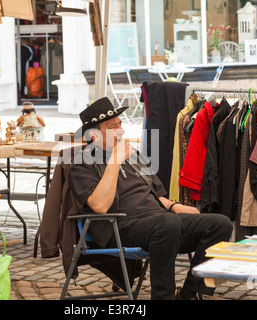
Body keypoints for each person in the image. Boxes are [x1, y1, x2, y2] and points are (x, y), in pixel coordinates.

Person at [68, 97, 233, 300]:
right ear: (94, 136)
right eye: (113, 127)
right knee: (167, 223)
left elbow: (157, 196)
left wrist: (174, 206)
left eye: (120, 124)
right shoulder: (82, 163)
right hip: (120, 227)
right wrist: (114, 162)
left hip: (161, 223)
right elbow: (100, 206)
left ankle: (188, 295)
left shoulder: (134, 157)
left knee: (220, 224)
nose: (121, 130)